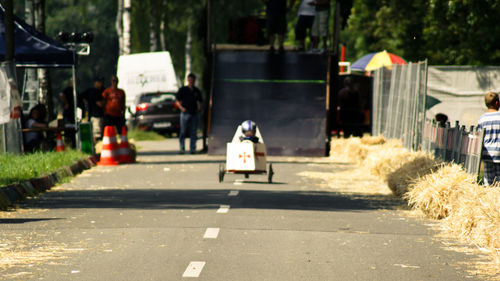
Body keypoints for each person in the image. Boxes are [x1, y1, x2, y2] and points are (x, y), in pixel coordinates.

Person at [175, 73, 203, 154]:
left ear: (194, 80)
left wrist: (199, 109)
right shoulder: (183, 89)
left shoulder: (196, 91)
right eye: (190, 80)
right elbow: (177, 101)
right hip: (185, 113)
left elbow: (201, 101)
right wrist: (181, 108)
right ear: (187, 80)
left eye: (192, 80)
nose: (191, 81)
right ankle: (182, 148)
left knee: (193, 132)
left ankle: (192, 149)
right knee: (183, 131)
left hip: (194, 113)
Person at [477, 91, 500, 186]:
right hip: (499, 153)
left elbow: (479, 137)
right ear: (496, 103)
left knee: (488, 182)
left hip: (487, 154)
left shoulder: (482, 119)